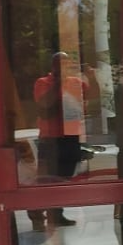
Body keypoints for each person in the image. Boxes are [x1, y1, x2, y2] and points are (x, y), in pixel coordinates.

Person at [32, 51, 87, 227]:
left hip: (70, 137)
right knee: (47, 179)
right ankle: (37, 215)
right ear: (53, 66)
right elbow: (44, 109)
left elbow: (88, 101)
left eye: (66, 64)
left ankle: (56, 213)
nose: (64, 67)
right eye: (60, 64)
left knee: (64, 177)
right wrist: (58, 83)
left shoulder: (75, 82)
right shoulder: (42, 83)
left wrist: (90, 77)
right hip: (50, 138)